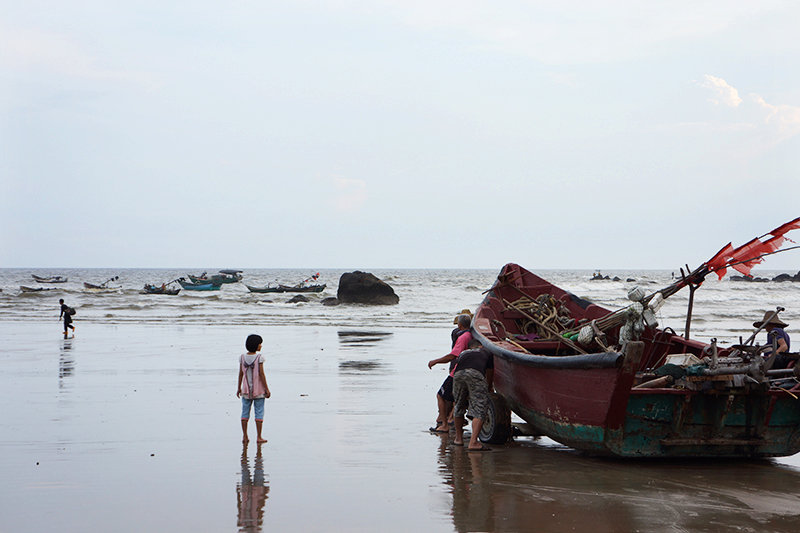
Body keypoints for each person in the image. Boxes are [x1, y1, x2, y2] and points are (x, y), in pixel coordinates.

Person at [428, 312, 473, 433]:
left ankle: (444, 424)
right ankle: (451, 419)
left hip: (457, 372)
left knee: (441, 396)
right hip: (470, 371)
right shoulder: (472, 335)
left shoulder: (462, 337)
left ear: (459, 325)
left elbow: (453, 355)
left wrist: (436, 361)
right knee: (457, 398)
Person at [452, 339, 494, 451]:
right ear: (480, 346)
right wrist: (489, 387)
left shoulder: (463, 353)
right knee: (480, 408)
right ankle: (473, 442)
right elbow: (490, 372)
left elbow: (455, 368)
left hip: (458, 375)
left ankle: (458, 438)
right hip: (475, 374)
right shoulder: (486, 352)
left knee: (459, 405)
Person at [237, 334, 271, 443]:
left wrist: (238, 388)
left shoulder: (242, 357)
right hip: (258, 391)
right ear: (256, 345)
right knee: (259, 412)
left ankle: (245, 436)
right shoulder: (259, 358)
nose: (261, 346)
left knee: (245, 413)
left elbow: (240, 374)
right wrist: (267, 389)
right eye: (260, 344)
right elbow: (262, 374)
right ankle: (259, 436)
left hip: (246, 390)